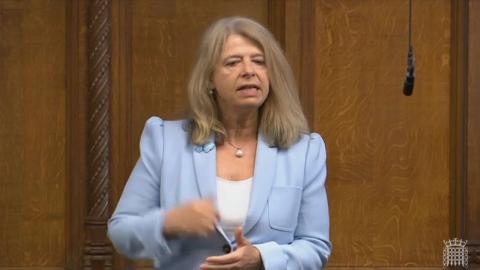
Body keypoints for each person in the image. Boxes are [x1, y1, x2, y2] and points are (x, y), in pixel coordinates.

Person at [108, 16, 332, 269]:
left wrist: (262, 258)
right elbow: (121, 231)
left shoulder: (303, 152)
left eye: (259, 61)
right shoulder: (164, 141)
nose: (249, 70)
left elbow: (315, 245)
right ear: (209, 80)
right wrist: (169, 222)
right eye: (233, 62)